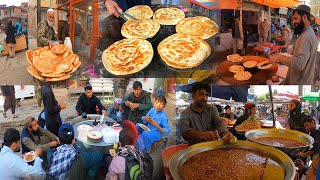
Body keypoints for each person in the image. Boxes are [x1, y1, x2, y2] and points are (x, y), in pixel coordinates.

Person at [270, 5, 318, 85]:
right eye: (292, 19)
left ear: (304, 18)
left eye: (295, 19)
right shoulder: (306, 33)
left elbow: (299, 64)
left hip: (299, 82)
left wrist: (278, 57)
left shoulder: (306, 36)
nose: (293, 22)